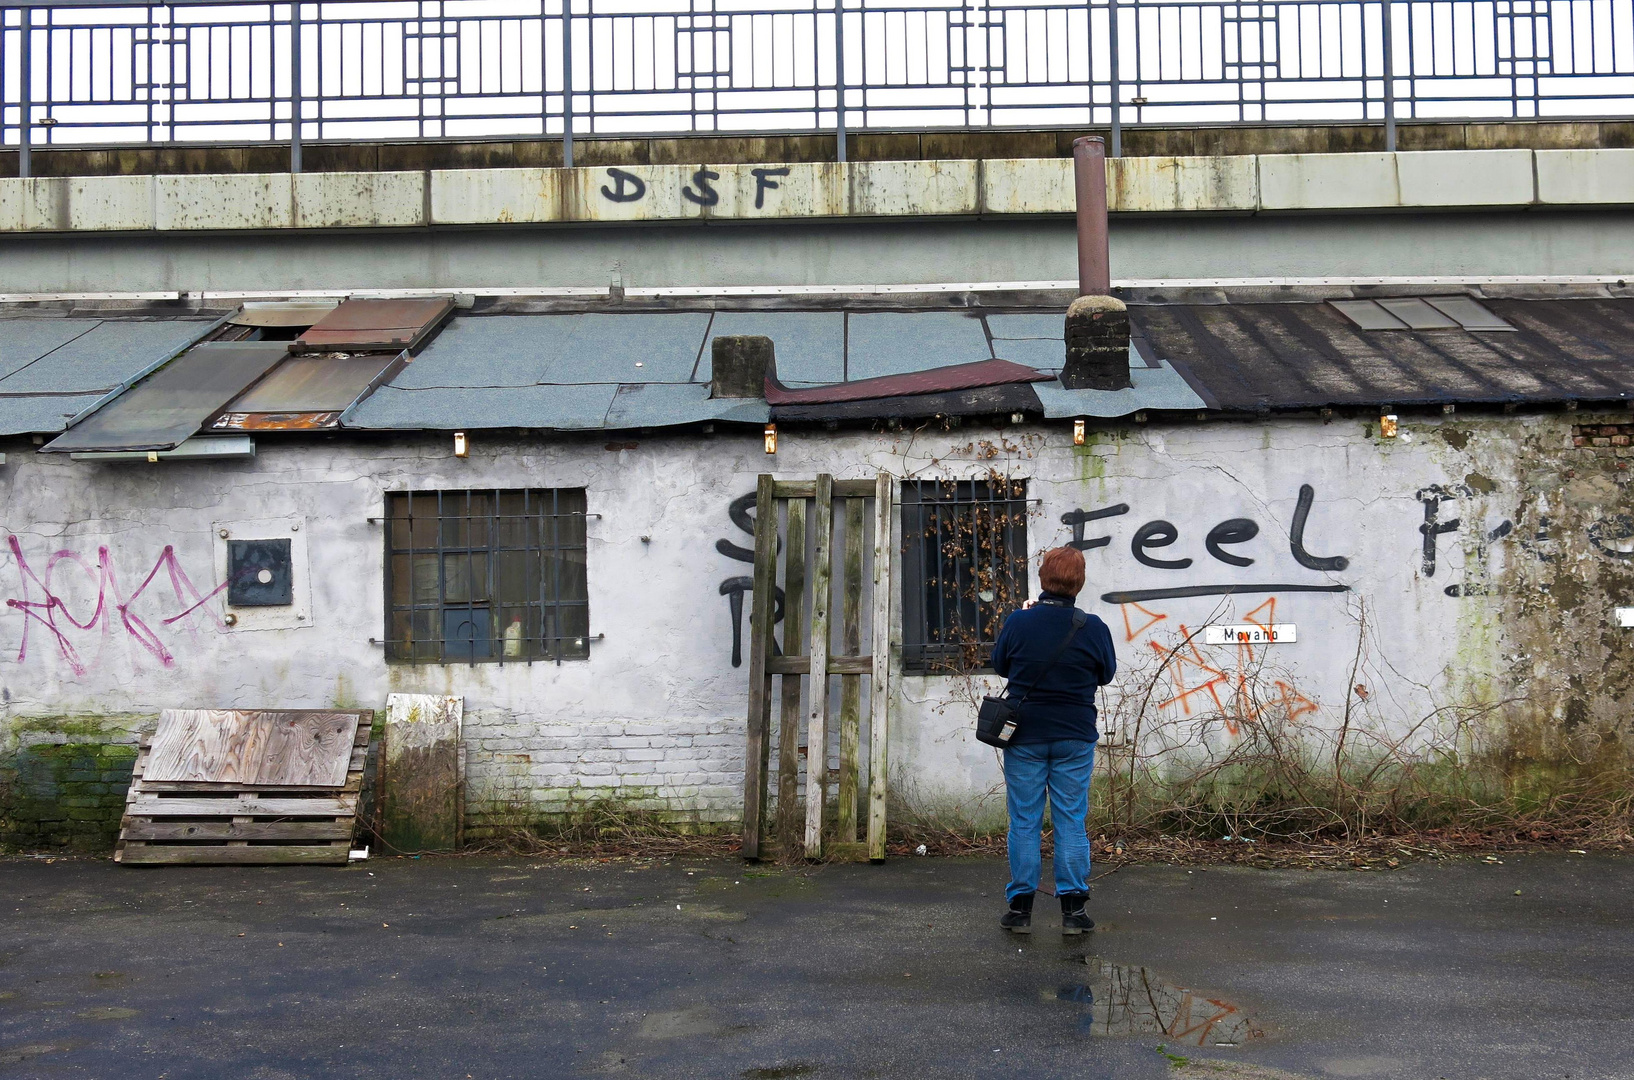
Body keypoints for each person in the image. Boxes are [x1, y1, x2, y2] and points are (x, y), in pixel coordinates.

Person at [989, 546, 1117, 935]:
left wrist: (1026, 620)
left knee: (1025, 821)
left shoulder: (1019, 621)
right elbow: (1106, 674)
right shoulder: (1092, 627)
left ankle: (1021, 910)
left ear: (1044, 579)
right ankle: (1074, 913)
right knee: (1071, 821)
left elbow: (1000, 665)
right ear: (1078, 584)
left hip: (1024, 735)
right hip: (1074, 737)